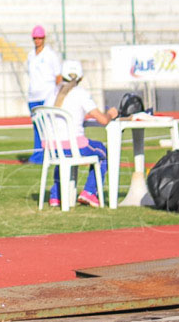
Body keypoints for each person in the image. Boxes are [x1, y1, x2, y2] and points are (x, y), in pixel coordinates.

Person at [42, 60, 117, 207]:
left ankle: (56, 196)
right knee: (103, 152)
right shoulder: (80, 94)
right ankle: (89, 192)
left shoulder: (50, 94)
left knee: (63, 156)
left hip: (52, 148)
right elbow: (103, 120)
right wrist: (110, 114)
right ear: (81, 78)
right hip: (74, 145)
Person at [26, 25, 63, 164]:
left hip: (47, 94)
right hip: (33, 96)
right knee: (37, 126)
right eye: (35, 38)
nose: (37, 40)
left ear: (44, 38)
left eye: (40, 38)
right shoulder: (30, 55)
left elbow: (58, 76)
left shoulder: (50, 55)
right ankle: (38, 155)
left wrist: (57, 95)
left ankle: (52, 153)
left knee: (48, 126)